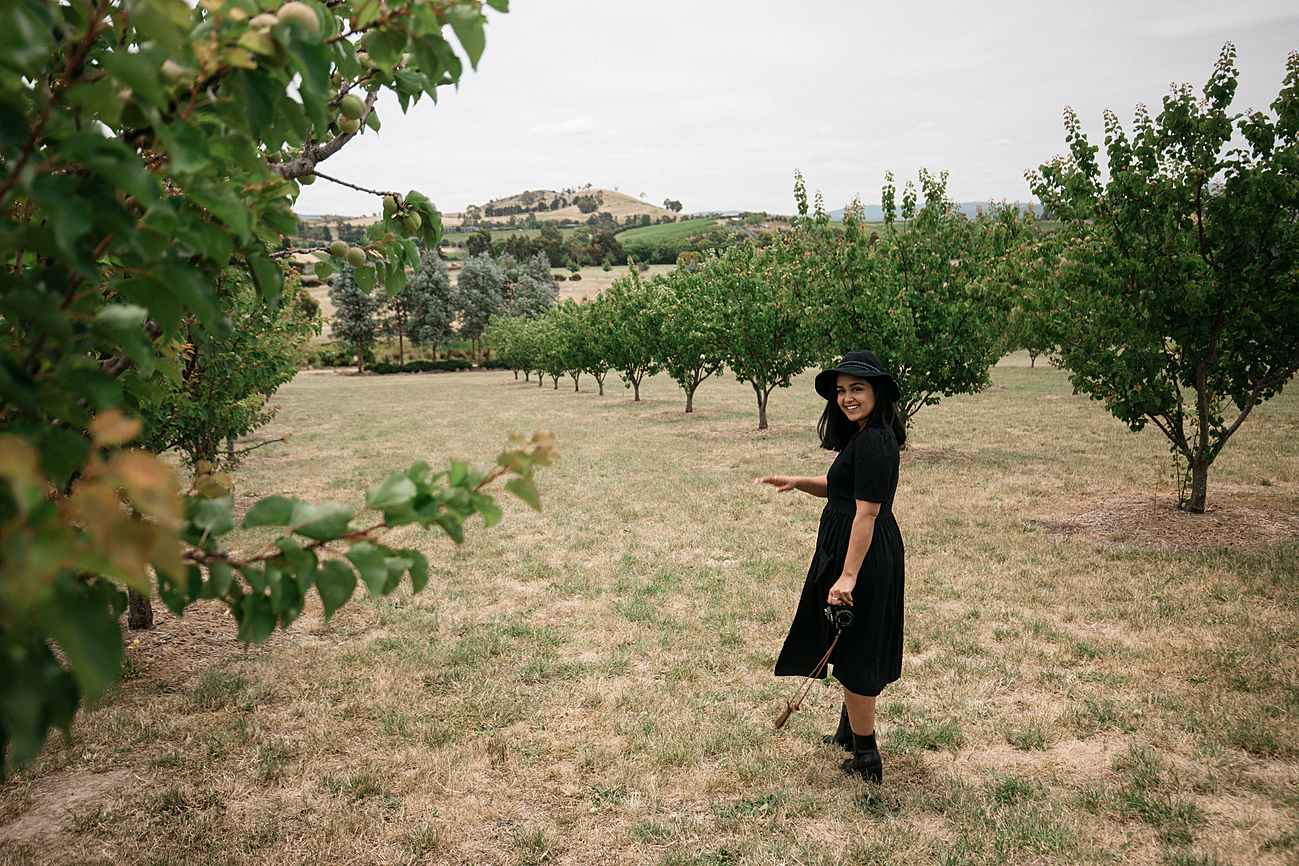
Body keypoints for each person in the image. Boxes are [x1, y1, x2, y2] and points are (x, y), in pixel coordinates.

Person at [756, 349, 906, 782]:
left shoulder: (876, 441)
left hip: (863, 555)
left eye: (857, 388)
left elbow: (867, 513)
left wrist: (848, 575)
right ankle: (848, 731)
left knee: (857, 650)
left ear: (878, 391)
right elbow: (843, 491)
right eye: (841, 391)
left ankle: (866, 757)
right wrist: (800, 481)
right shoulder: (865, 436)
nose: (846, 398)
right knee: (846, 637)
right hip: (851, 550)